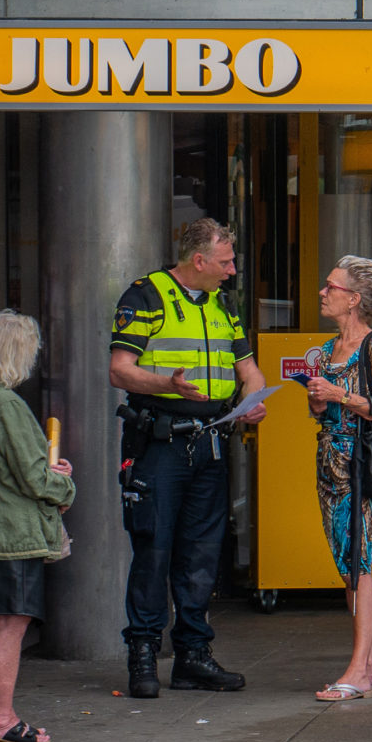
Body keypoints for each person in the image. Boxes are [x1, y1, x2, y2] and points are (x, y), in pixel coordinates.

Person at [109, 217, 268, 700]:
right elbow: (120, 370)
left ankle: (192, 657)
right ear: (198, 261)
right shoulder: (146, 295)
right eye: (225, 262)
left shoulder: (222, 304)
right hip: (159, 445)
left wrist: (252, 400)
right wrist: (168, 385)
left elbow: (250, 370)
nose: (232, 270)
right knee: (153, 550)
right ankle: (142, 655)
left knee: (201, 554)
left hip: (210, 442)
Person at [0, 310, 75, 742]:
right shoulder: (6, 403)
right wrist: (63, 481)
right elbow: (34, 476)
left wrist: (44, 468)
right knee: (11, 625)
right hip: (12, 528)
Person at [306, 257, 372, 702]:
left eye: (331, 287)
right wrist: (320, 403)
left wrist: (340, 394)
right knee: (347, 565)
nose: (323, 292)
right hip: (329, 462)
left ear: (354, 299)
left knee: (359, 563)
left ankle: (358, 672)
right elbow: (321, 411)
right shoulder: (327, 351)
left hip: (360, 465)